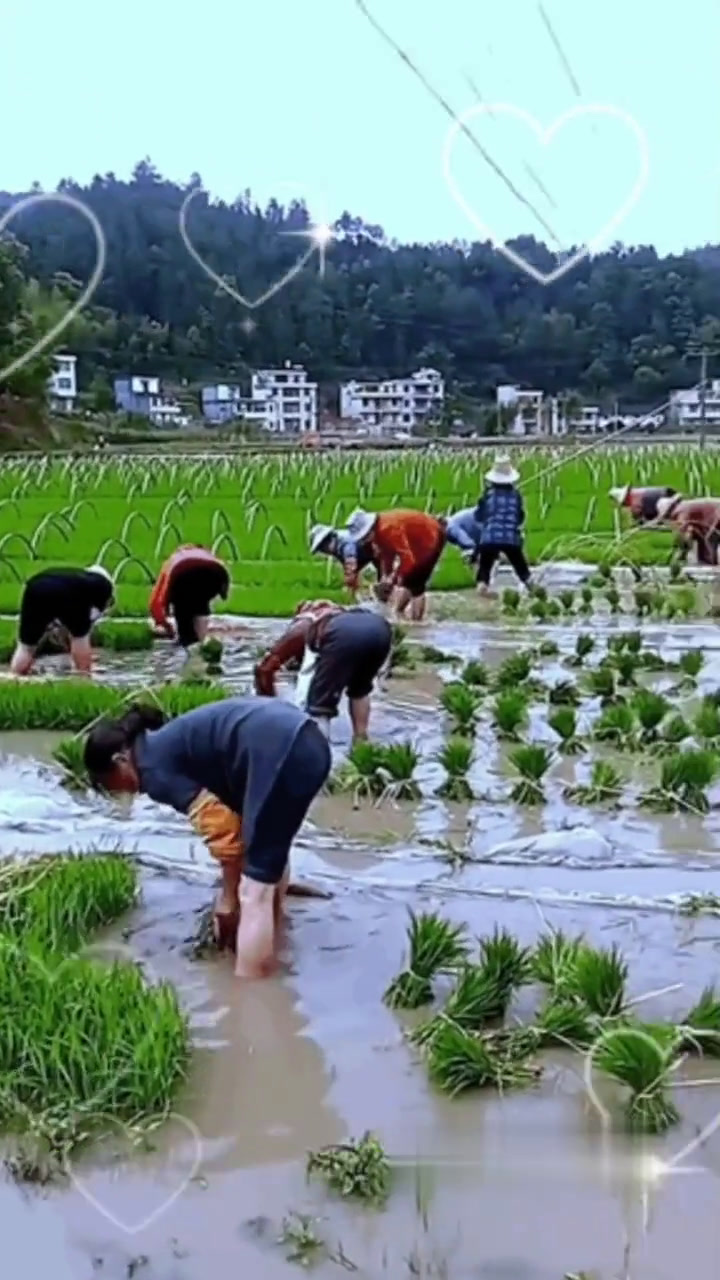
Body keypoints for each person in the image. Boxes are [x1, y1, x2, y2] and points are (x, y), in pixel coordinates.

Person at [82, 697, 331, 979]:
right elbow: (239, 830)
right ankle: (276, 935)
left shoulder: (153, 771)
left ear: (121, 761)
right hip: (307, 740)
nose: (121, 792)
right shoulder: (161, 744)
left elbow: (223, 831)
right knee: (266, 851)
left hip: (281, 752)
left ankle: (251, 995)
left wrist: (227, 899)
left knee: (252, 893)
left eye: (109, 784)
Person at [254, 599, 392, 742]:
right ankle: (361, 740)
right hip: (380, 629)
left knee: (319, 704)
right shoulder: (334, 613)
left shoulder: (302, 625)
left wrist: (269, 704)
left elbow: (265, 668)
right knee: (359, 689)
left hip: (342, 635)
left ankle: (319, 749)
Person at [9, 564, 114, 677]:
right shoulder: (104, 588)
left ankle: (15, 677)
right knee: (80, 637)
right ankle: (84, 676)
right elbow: (82, 628)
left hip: (34, 586)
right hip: (69, 592)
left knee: (26, 647)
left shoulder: (77, 575)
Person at [344, 507, 446, 622]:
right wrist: (386, 575)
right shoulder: (378, 532)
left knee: (417, 582)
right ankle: (399, 612)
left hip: (431, 537)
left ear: (370, 529)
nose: (365, 541)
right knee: (407, 580)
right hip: (415, 542)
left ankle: (417, 623)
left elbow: (408, 559)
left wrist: (393, 579)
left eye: (365, 537)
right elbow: (387, 554)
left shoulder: (389, 528)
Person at [149, 545, 230, 651]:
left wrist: (165, 625)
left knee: (184, 620)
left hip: (183, 576)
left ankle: (189, 646)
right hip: (215, 575)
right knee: (201, 603)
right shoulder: (207, 555)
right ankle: (204, 643)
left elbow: (156, 603)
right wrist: (223, 592)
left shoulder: (172, 561)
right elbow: (222, 571)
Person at [474, 455, 532, 594]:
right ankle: (536, 593)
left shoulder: (487, 494)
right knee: (523, 571)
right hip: (511, 539)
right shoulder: (516, 495)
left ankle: (482, 602)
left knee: (484, 572)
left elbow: (479, 516)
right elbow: (520, 518)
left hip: (489, 538)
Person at [308, 524, 379, 597]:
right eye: (321, 549)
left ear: (330, 538)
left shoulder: (344, 543)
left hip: (376, 550)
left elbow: (351, 563)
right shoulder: (336, 548)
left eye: (323, 547)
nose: (324, 551)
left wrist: (349, 579)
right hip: (367, 555)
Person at [656, 494, 720, 566]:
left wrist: (682, 555)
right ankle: (707, 563)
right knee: (705, 538)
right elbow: (698, 535)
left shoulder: (680, 512)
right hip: (716, 514)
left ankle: (711, 567)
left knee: (711, 538)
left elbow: (686, 537)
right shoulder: (685, 505)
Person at [609, 484, 679, 524]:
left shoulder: (634, 501)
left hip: (663, 501)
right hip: (667, 492)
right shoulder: (637, 491)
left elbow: (638, 514)